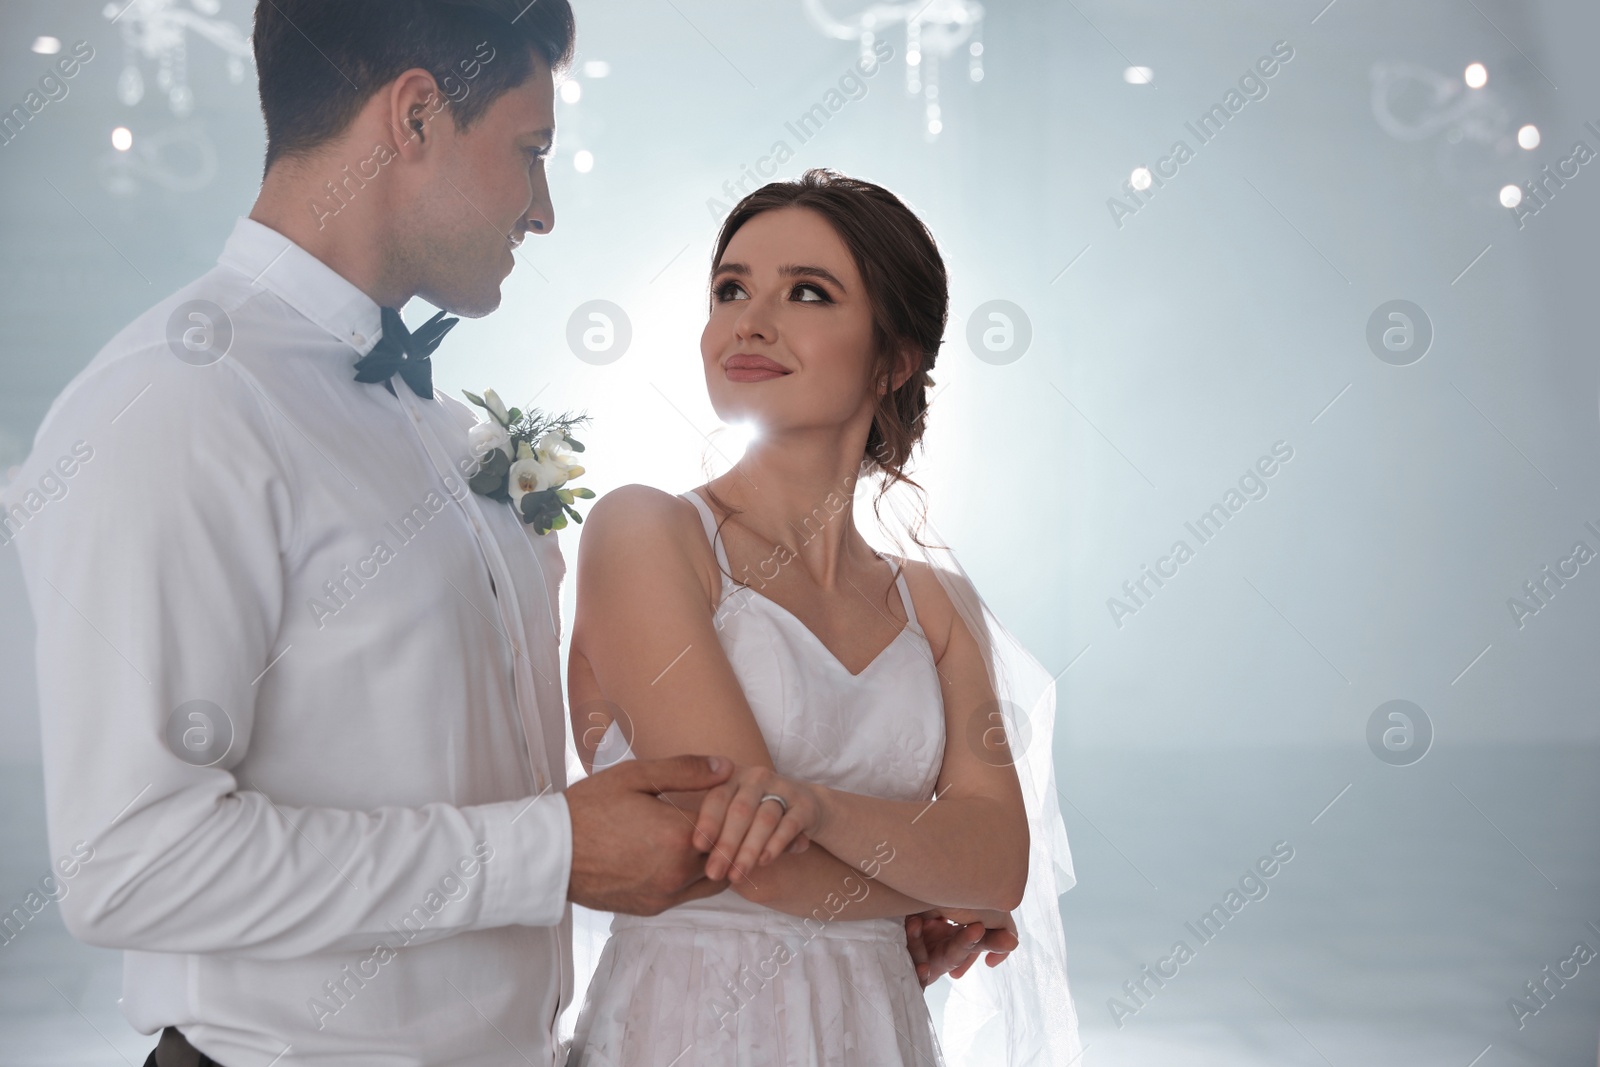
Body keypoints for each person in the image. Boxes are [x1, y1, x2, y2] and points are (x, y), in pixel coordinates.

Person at [3, 4, 1010, 1065]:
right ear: (416, 114)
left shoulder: (457, 435)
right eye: (530, 152)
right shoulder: (174, 404)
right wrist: (553, 848)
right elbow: (132, 863)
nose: (544, 211)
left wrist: (873, 906)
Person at [564, 170, 1081, 1066]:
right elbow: (745, 853)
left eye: (806, 292)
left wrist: (816, 807)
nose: (750, 321)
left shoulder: (937, 604)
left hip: (874, 1029)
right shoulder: (645, 531)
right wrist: (929, 879)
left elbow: (1000, 859)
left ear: (894, 357)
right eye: (730, 289)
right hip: (687, 1026)